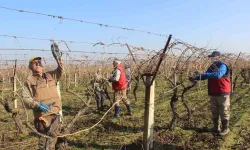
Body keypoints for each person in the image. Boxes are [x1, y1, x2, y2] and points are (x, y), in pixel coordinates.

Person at [22, 56, 63, 149]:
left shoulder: (51, 75)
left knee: (53, 138)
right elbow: (25, 98)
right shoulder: (29, 81)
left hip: (55, 112)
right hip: (42, 117)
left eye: (39, 62)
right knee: (44, 142)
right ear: (30, 67)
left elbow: (60, 71)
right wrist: (37, 105)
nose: (38, 64)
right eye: (34, 63)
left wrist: (59, 60)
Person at [190, 51, 231, 136]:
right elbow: (205, 76)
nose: (212, 59)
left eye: (213, 57)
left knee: (224, 110)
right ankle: (216, 127)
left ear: (219, 58)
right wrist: (196, 77)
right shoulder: (211, 67)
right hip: (213, 92)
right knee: (214, 111)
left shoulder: (222, 65)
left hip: (223, 92)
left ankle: (225, 129)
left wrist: (205, 74)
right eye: (211, 57)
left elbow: (217, 75)